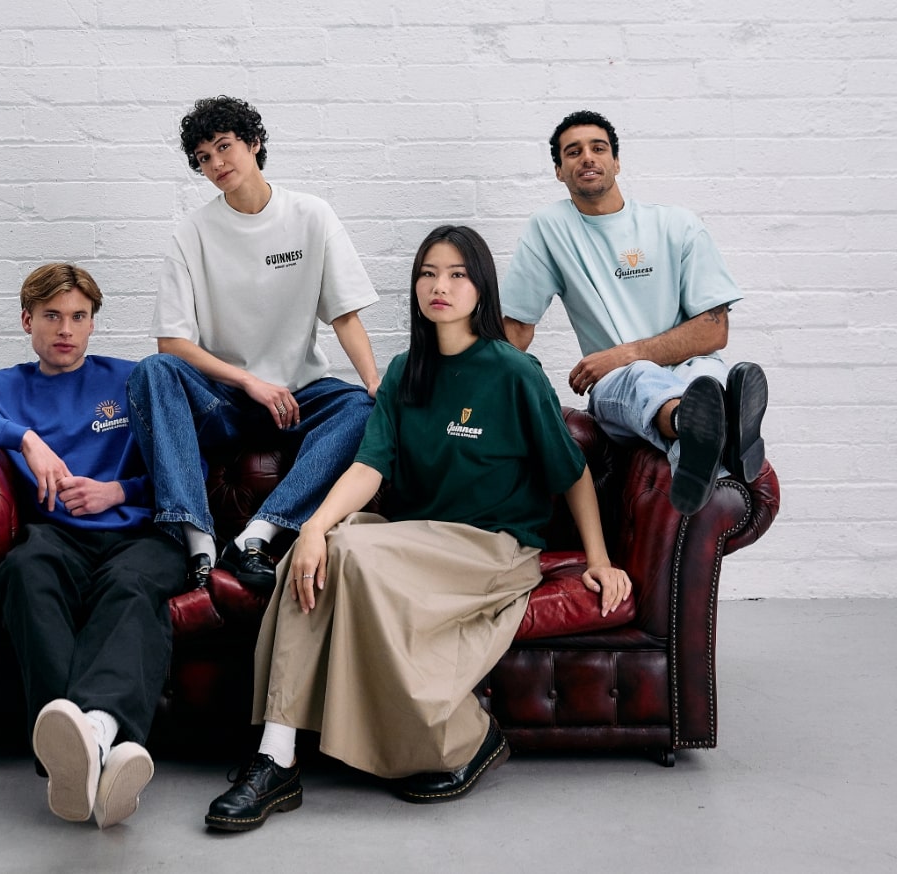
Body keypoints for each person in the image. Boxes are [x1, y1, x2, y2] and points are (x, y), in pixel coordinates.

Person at [205, 225, 631, 830]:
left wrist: (599, 558)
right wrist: (312, 528)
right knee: (326, 548)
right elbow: (368, 466)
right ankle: (275, 757)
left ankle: (465, 738)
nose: (440, 285)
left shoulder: (515, 373)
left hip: (493, 546)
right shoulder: (406, 371)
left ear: (481, 288)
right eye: (429, 273)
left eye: (458, 274)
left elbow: (574, 474)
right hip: (416, 537)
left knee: (346, 547)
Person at [0, 263, 186, 830]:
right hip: (57, 537)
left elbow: (190, 465)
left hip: (140, 531)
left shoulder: (132, 380)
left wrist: (117, 490)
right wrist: (24, 438)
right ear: (27, 320)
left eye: (79, 317)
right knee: (25, 569)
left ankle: (85, 745)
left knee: (133, 589)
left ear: (91, 325)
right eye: (53, 316)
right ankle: (95, 750)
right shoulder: (8, 389)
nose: (66, 330)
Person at [128, 95, 381, 595]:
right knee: (153, 371)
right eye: (203, 158)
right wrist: (249, 381)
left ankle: (256, 537)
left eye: (225, 147)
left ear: (254, 143)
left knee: (364, 408)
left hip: (299, 397)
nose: (216, 164)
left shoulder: (311, 215)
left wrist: (374, 382)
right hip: (225, 400)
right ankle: (198, 542)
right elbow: (172, 341)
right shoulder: (192, 232)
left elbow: (344, 314)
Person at [500, 110, 769, 516]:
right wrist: (477, 388)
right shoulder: (548, 229)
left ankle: (701, 439)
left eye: (598, 148)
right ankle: (715, 428)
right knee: (645, 377)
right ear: (559, 171)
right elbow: (517, 328)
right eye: (573, 152)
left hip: (688, 370)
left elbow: (715, 330)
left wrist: (622, 352)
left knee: (705, 379)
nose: (587, 157)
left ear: (617, 162)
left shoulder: (677, 225)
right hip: (618, 385)